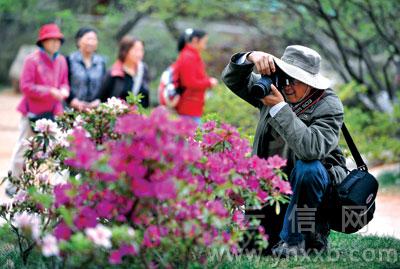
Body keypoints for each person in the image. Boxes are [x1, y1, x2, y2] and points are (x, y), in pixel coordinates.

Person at [222, 45, 347, 257]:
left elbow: (311, 149)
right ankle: (270, 233)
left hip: (307, 193)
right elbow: (233, 79)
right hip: (272, 188)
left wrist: (280, 108)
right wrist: (251, 56)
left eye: (295, 80)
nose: (288, 86)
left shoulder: (328, 104)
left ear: (310, 82)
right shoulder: (272, 88)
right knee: (254, 248)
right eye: (285, 77)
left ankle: (296, 241)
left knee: (309, 169)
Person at [6, 23, 69, 195]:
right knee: (23, 149)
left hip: (54, 112)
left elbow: (64, 83)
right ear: (43, 42)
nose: (56, 43)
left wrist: (64, 91)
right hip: (31, 112)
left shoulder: (61, 60)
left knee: (59, 150)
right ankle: (12, 186)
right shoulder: (31, 60)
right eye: (52, 40)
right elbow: (25, 86)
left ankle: (59, 189)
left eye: (58, 40)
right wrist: (49, 91)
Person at [174, 28, 218, 124]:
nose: (205, 46)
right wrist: (209, 82)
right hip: (188, 108)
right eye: (204, 42)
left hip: (192, 107)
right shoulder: (188, 57)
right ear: (195, 40)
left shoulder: (191, 55)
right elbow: (190, 82)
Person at [99, 36, 150, 108]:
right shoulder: (114, 73)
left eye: (141, 50)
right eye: (136, 50)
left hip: (139, 116)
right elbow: (102, 99)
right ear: (125, 51)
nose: (139, 54)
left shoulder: (143, 70)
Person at [67, 27, 106, 111]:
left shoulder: (101, 62)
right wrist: (73, 101)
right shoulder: (69, 60)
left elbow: (104, 86)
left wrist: (98, 100)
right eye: (88, 39)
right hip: (72, 110)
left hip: (95, 111)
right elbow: (64, 83)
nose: (91, 42)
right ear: (78, 41)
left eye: (94, 39)